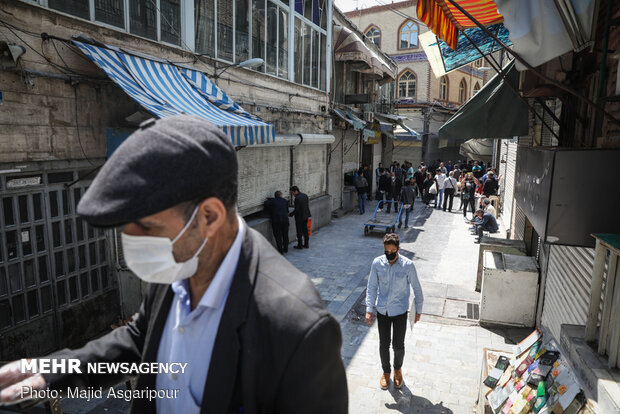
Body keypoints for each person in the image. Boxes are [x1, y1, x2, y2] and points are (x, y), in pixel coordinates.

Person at [0, 115, 348, 413]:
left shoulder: (299, 330)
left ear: (208, 216)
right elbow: (141, 337)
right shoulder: (177, 262)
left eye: (149, 228)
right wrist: (51, 372)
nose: (136, 243)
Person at [365, 233, 423, 390]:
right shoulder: (377, 263)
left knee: (398, 346)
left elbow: (417, 289)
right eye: (386, 251)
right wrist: (369, 309)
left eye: (392, 251)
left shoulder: (408, 265)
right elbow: (371, 287)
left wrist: (418, 309)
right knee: (384, 345)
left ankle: (397, 370)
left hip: (400, 313)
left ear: (398, 249)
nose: (389, 254)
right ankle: (386, 372)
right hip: (382, 312)